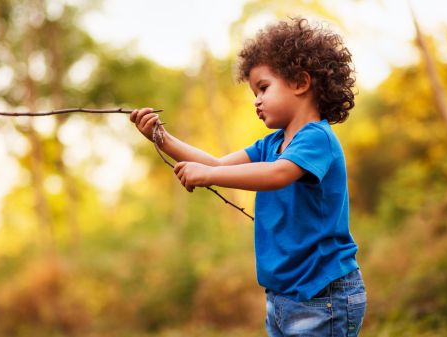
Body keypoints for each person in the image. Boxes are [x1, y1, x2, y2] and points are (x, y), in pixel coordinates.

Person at [130, 17, 366, 337]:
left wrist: (210, 176)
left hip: (322, 294)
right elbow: (217, 163)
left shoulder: (317, 138)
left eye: (263, 88)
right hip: (283, 296)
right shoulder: (270, 144)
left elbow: (279, 173)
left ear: (300, 82)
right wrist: (161, 137)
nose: (256, 100)